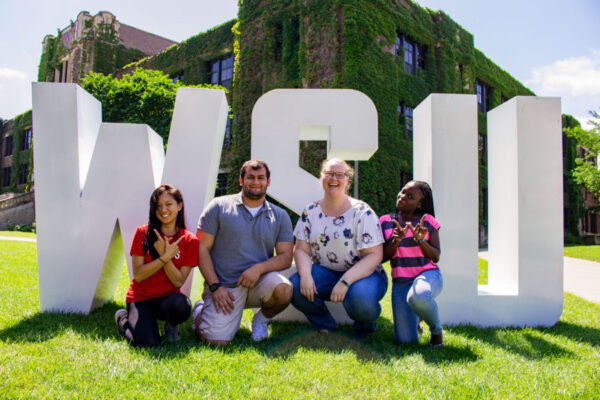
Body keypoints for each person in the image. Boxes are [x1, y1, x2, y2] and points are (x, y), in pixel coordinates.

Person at [193, 160, 294, 345]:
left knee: (284, 290)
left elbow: (286, 257)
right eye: (250, 177)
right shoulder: (218, 206)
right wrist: (215, 287)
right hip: (225, 286)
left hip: (259, 282)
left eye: (261, 178)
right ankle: (200, 311)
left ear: (268, 182)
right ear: (241, 180)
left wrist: (258, 269)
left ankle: (261, 320)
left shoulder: (280, 215)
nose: (256, 182)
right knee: (214, 342)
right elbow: (201, 248)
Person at [290, 158, 388, 338]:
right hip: (326, 272)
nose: (333, 178)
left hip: (364, 274)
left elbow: (374, 256)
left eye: (339, 174)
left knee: (361, 300)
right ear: (321, 177)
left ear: (347, 180)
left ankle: (364, 328)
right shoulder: (310, 211)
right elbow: (301, 249)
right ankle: (325, 325)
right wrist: (305, 276)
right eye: (328, 173)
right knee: (295, 287)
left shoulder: (362, 212)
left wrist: (345, 281)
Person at [115, 184, 199, 347]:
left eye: (168, 204)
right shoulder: (142, 233)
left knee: (182, 305)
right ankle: (123, 321)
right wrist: (164, 257)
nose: (163, 210)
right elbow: (138, 275)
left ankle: (171, 325)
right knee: (148, 343)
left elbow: (178, 282)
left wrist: (166, 258)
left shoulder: (189, 240)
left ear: (179, 206)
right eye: (158, 205)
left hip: (167, 299)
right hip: (141, 298)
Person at [380, 180, 443, 347]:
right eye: (402, 192)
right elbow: (381, 257)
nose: (402, 197)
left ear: (420, 203)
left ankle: (436, 332)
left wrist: (421, 240)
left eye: (410, 196)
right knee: (406, 341)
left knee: (419, 295)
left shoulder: (427, 221)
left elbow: (436, 256)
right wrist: (395, 241)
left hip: (428, 275)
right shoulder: (386, 221)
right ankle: (417, 319)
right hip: (401, 282)